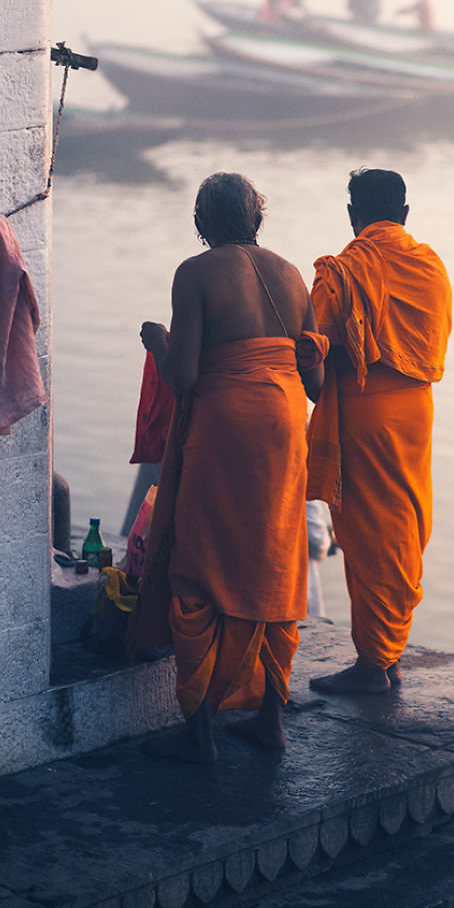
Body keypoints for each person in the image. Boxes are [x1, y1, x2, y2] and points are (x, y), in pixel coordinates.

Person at [127, 172, 327, 762]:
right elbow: (314, 380)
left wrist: (157, 341)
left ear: (201, 223)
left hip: (227, 426)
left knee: (201, 562)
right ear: (256, 218)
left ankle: (199, 732)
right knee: (275, 558)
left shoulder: (195, 272)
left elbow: (185, 375)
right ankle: (271, 720)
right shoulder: (292, 274)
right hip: (286, 425)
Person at [306, 169, 453, 694]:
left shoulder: (342, 271)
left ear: (353, 216)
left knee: (369, 533)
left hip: (366, 416)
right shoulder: (431, 267)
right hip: (416, 413)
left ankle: (373, 665)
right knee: (405, 523)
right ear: (406, 214)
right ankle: (386, 653)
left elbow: (314, 352)